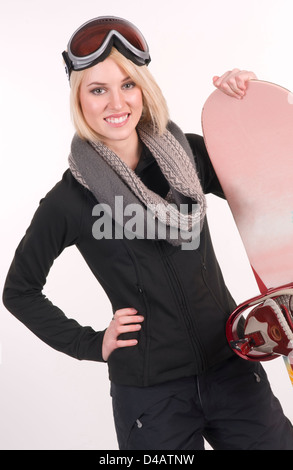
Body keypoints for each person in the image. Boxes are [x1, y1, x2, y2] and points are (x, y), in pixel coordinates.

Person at [3, 16, 293, 451]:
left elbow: (265, 180)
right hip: (150, 396)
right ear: (78, 99)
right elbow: (19, 291)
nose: (115, 102)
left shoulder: (190, 156)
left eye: (128, 84)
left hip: (233, 365)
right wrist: (92, 343)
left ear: (144, 88)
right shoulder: (70, 199)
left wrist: (243, 104)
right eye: (97, 89)